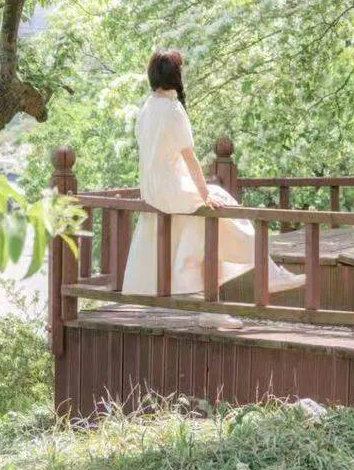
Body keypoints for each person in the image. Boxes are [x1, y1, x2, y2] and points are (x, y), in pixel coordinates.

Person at [122, 49, 304, 297]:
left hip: (152, 190)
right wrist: (204, 194)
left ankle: (230, 283)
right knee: (224, 204)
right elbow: (190, 159)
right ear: (175, 75)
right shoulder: (172, 109)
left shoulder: (146, 108)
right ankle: (267, 274)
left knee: (211, 218)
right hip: (170, 190)